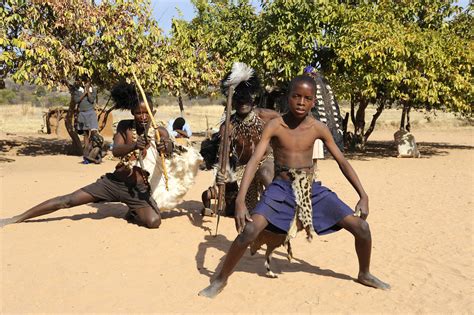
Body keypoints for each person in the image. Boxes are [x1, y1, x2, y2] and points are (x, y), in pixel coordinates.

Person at [198, 75, 390, 298]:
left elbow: (342, 161)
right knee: (249, 230)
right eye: (296, 96)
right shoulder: (276, 125)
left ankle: (364, 273)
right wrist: (240, 201)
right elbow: (253, 162)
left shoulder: (318, 128)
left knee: (362, 229)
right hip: (280, 189)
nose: (301, 102)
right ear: (287, 98)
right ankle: (220, 280)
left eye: (307, 98)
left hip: (310, 190)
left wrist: (363, 195)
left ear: (313, 102)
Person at [0, 83, 173, 229]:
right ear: (132, 113)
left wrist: (166, 147)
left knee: (154, 221)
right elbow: (116, 150)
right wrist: (134, 145)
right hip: (114, 183)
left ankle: (133, 210)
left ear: (153, 112)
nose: (142, 116)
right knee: (67, 200)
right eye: (138, 112)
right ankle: (18, 217)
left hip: (138, 191)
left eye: (146, 112)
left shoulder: (160, 132)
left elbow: (170, 150)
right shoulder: (125, 127)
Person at [200, 62, 280, 217]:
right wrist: (223, 173)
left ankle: (278, 207)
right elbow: (224, 154)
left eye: (246, 100)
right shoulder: (228, 126)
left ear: (253, 101)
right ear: (233, 103)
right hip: (243, 169)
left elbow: (286, 128)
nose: (243, 104)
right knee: (243, 211)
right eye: (239, 101)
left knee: (265, 173)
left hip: (266, 160)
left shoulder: (266, 116)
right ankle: (213, 196)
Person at [72, 80, 99, 159]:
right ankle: (86, 153)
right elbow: (77, 100)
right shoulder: (78, 90)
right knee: (86, 133)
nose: (85, 83)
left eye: (87, 82)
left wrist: (88, 92)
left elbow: (91, 100)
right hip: (82, 114)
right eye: (84, 82)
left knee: (94, 132)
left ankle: (93, 150)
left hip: (91, 113)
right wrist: (84, 93)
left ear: (90, 83)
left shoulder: (93, 90)